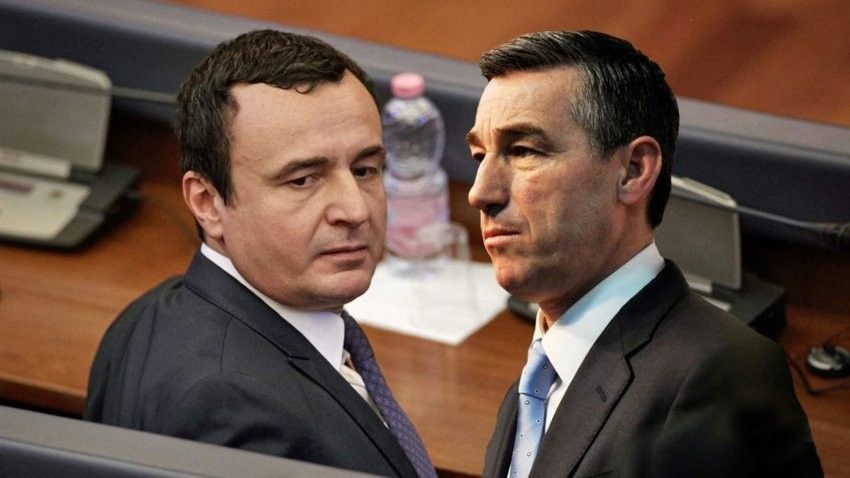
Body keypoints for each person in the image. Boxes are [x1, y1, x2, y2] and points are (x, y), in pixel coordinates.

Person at [465, 31, 822, 477]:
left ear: (633, 172)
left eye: (522, 151)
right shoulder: (544, 367)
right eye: (479, 155)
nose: (480, 192)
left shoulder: (719, 381)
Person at [84, 30, 435, 478]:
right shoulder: (237, 416)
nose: (355, 210)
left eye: (365, 170)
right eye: (303, 180)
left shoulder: (149, 312)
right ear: (208, 203)